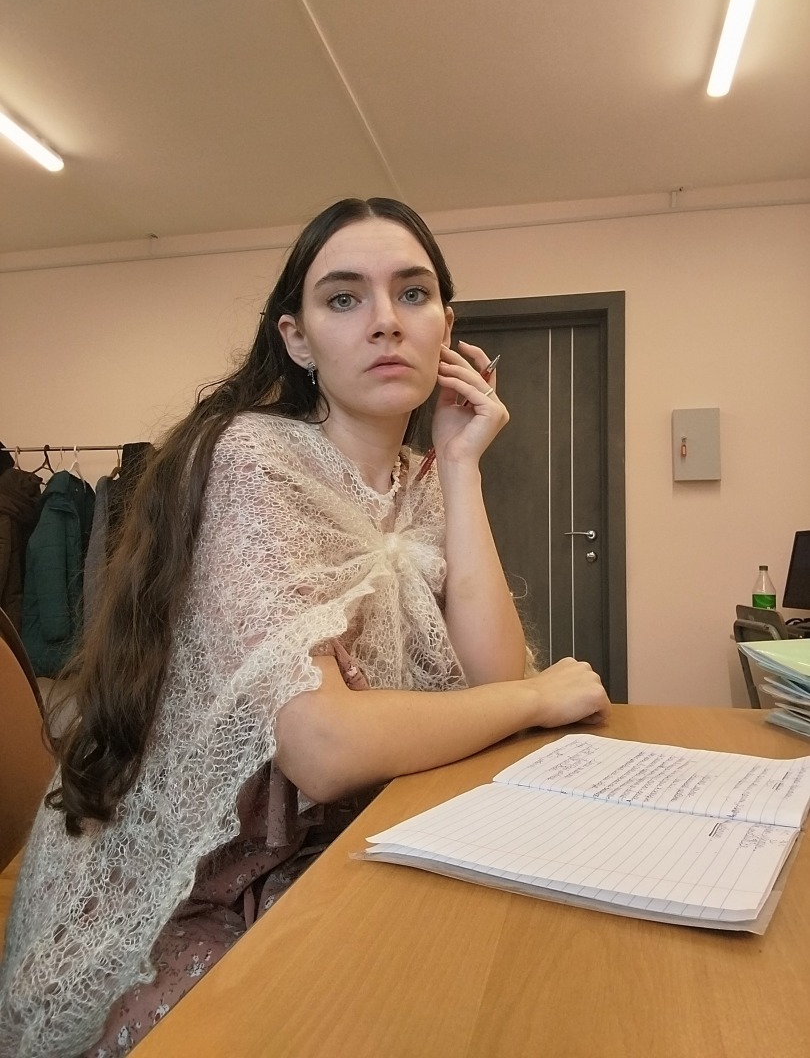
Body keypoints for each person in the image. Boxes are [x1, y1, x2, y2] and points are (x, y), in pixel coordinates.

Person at [0, 198, 609, 1057]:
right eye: (344, 298)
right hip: (200, 882)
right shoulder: (251, 459)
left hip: (345, 836)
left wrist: (461, 464)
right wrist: (538, 699)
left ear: (447, 329)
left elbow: (491, 676)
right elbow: (321, 748)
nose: (386, 321)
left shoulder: (421, 478)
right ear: (297, 339)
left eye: (413, 293)